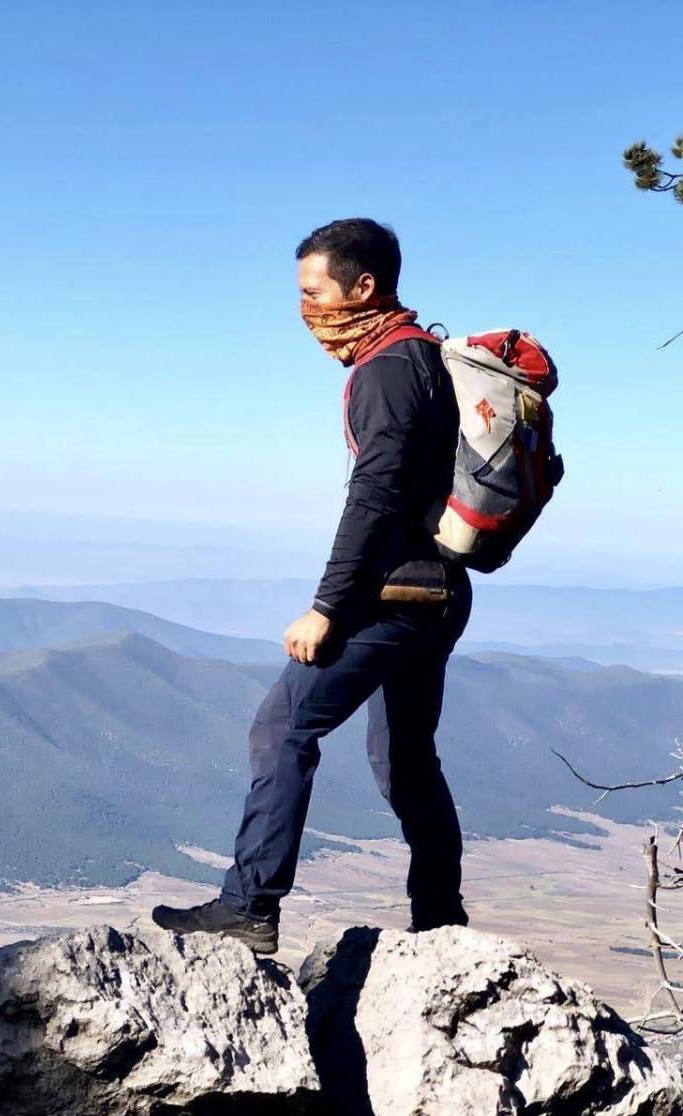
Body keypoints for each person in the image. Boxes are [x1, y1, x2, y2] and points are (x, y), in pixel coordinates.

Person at [152, 217, 473, 955]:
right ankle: (439, 920)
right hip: (440, 593)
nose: (305, 309)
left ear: (363, 287)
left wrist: (327, 606)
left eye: (313, 292)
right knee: (406, 759)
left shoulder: (387, 370)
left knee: (282, 727)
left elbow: (375, 495)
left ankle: (249, 906)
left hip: (393, 598)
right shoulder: (426, 356)